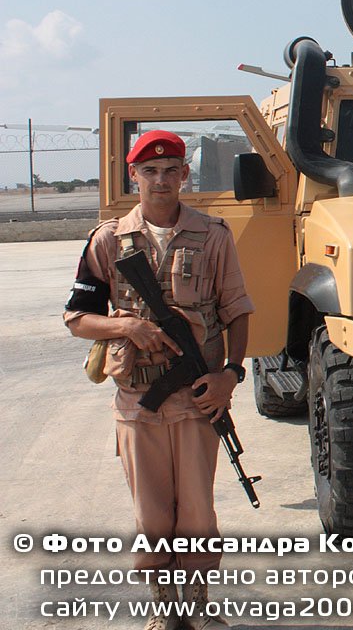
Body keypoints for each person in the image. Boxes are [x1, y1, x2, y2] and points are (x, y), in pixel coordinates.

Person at [64, 129, 253, 630]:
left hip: (197, 397)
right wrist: (128, 325)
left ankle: (198, 606)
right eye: (150, 171)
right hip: (137, 401)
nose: (161, 180)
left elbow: (237, 311)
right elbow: (77, 318)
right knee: (152, 516)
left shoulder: (213, 235)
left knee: (196, 513)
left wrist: (230, 375)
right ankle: (164, 611)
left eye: (171, 170)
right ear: (135, 176)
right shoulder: (108, 240)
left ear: (185, 175)